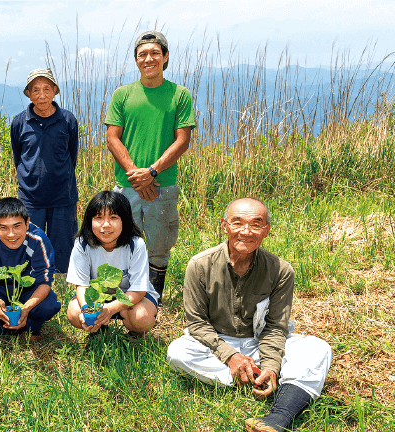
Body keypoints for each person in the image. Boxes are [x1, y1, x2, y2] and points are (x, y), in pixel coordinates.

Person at [166, 198, 332, 432]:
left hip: (259, 342)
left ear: (267, 230)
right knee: (177, 352)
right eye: (237, 223)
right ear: (224, 226)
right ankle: (255, 378)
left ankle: (278, 417)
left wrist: (272, 365)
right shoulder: (200, 265)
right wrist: (230, 356)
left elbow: (275, 327)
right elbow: (197, 323)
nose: (246, 232)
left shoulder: (281, 270)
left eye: (256, 224)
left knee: (318, 349)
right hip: (217, 342)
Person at [104, 30, 196, 301]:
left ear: (165, 57)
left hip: (162, 184)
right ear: (136, 60)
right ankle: (120, 301)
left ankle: (151, 301)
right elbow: (112, 138)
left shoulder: (179, 95)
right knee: (121, 242)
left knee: (159, 245)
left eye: (155, 53)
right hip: (127, 184)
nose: (149, 59)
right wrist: (136, 174)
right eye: (142, 54)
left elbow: (183, 140)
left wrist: (152, 172)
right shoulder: (122, 94)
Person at [10, 68, 79, 274]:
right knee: (30, 246)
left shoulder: (67, 120)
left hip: (63, 196)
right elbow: (18, 157)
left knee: (63, 248)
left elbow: (71, 155)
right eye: (36, 90)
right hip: (31, 198)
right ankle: (33, 283)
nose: (42, 95)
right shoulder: (20, 122)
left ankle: (61, 286)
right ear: (28, 94)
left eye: (47, 89)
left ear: (55, 91)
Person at [0, 197, 61, 340]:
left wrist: (27, 308)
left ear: (27, 223)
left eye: (17, 226)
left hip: (27, 290)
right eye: (3, 227)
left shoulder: (38, 239)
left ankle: (31, 328)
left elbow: (45, 281)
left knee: (48, 304)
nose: (11, 234)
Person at [66, 191, 158, 334]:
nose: (106, 225)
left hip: (131, 297)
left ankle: (134, 332)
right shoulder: (82, 244)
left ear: (125, 220)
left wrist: (110, 309)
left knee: (141, 318)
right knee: (74, 312)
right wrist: (87, 311)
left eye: (113, 217)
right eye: (99, 218)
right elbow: (82, 285)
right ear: (90, 221)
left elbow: (139, 290)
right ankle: (98, 329)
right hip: (97, 298)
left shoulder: (136, 244)